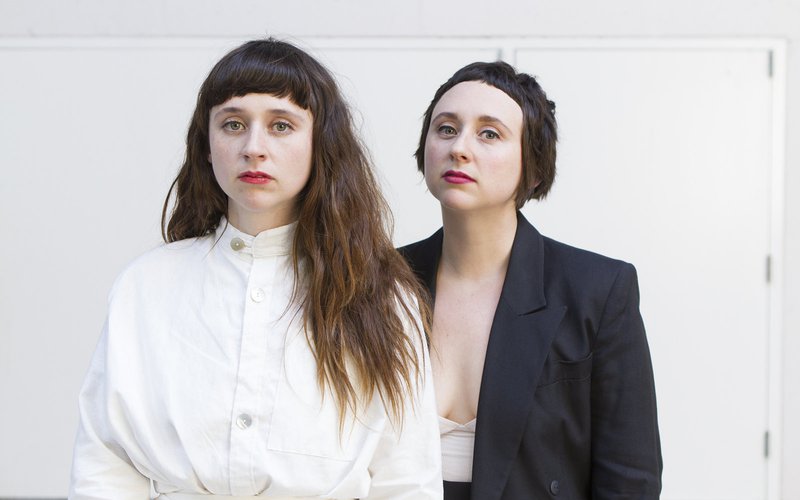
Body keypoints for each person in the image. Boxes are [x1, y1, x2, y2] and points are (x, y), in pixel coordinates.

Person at [69, 39, 442, 499]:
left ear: (320, 144)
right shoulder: (144, 286)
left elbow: (407, 479)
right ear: (207, 145)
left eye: (281, 125)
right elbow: (105, 464)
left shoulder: (383, 296)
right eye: (233, 124)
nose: (253, 148)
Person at [400, 61, 662, 499]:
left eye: (489, 134)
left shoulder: (597, 289)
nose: (459, 148)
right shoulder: (381, 281)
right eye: (445, 129)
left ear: (534, 168)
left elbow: (630, 479)